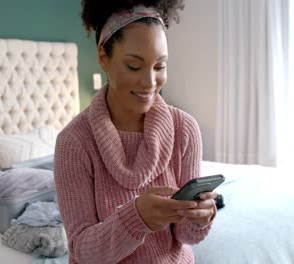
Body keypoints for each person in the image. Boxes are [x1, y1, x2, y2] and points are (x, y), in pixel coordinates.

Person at [53, 0, 217, 263]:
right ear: (103, 57)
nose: (151, 83)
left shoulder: (184, 129)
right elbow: (83, 252)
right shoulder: (74, 142)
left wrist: (199, 217)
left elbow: (186, 236)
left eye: (160, 66)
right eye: (134, 66)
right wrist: (136, 218)